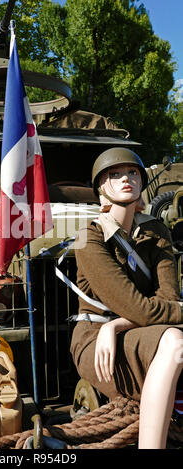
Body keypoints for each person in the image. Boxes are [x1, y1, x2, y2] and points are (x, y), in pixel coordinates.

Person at [70, 147, 183, 449]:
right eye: (114, 174)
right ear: (101, 189)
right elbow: (140, 307)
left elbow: (168, 298)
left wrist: (117, 326)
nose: (125, 179)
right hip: (96, 340)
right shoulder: (86, 236)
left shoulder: (156, 231)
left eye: (132, 172)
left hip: (134, 332)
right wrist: (111, 326)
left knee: (172, 337)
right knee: (176, 342)